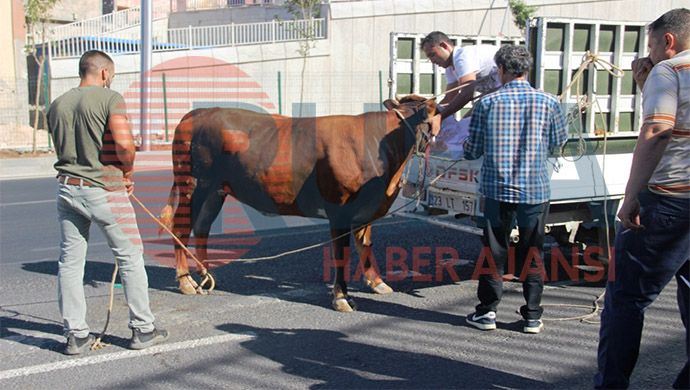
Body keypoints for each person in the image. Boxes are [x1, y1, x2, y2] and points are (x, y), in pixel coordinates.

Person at [48, 50, 168, 355]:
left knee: (70, 263)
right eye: (111, 75)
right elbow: (125, 144)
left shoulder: (57, 104)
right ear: (103, 73)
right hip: (105, 191)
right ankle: (143, 329)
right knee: (130, 257)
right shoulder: (110, 98)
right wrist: (127, 171)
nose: (111, 79)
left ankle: (76, 336)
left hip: (67, 190)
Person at [595, 8, 690, 389]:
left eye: (650, 44)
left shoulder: (669, 71)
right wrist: (644, 84)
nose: (647, 52)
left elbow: (658, 130)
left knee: (625, 299)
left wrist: (632, 196)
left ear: (668, 40)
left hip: (668, 202)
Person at [462, 45, 568, 334]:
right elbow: (559, 142)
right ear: (527, 70)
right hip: (535, 190)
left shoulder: (487, 104)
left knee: (494, 250)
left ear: (501, 70)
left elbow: (472, 151)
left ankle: (487, 313)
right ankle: (532, 315)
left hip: (497, 190)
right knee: (533, 251)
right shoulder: (549, 102)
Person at [421, 32, 502, 157]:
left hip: (504, 95)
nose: (432, 61)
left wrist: (440, 117)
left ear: (444, 46)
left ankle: (461, 156)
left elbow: (467, 93)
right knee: (461, 127)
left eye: (433, 55)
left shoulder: (461, 57)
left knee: (467, 127)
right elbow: (449, 97)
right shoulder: (450, 67)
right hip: (491, 97)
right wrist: (433, 114)